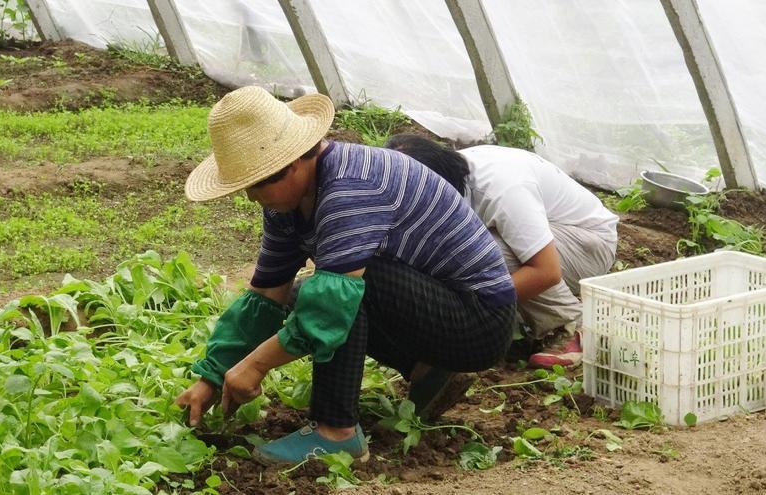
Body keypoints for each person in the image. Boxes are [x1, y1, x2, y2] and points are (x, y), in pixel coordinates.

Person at [174, 87, 516, 464]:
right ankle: (429, 370)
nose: (252, 197)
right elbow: (266, 295)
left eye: (257, 183)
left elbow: (329, 308)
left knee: (337, 291)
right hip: (434, 308)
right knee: (304, 293)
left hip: (479, 321)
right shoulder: (286, 206)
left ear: (293, 163)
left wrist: (255, 366)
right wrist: (212, 375)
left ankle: (336, 431)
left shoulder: (351, 186)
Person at [385, 134, 618, 368]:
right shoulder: (446, 174)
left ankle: (569, 325)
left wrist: (473, 307)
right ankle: (518, 326)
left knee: (484, 252)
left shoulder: (500, 187)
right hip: (552, 240)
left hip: (589, 244)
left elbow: (546, 271)